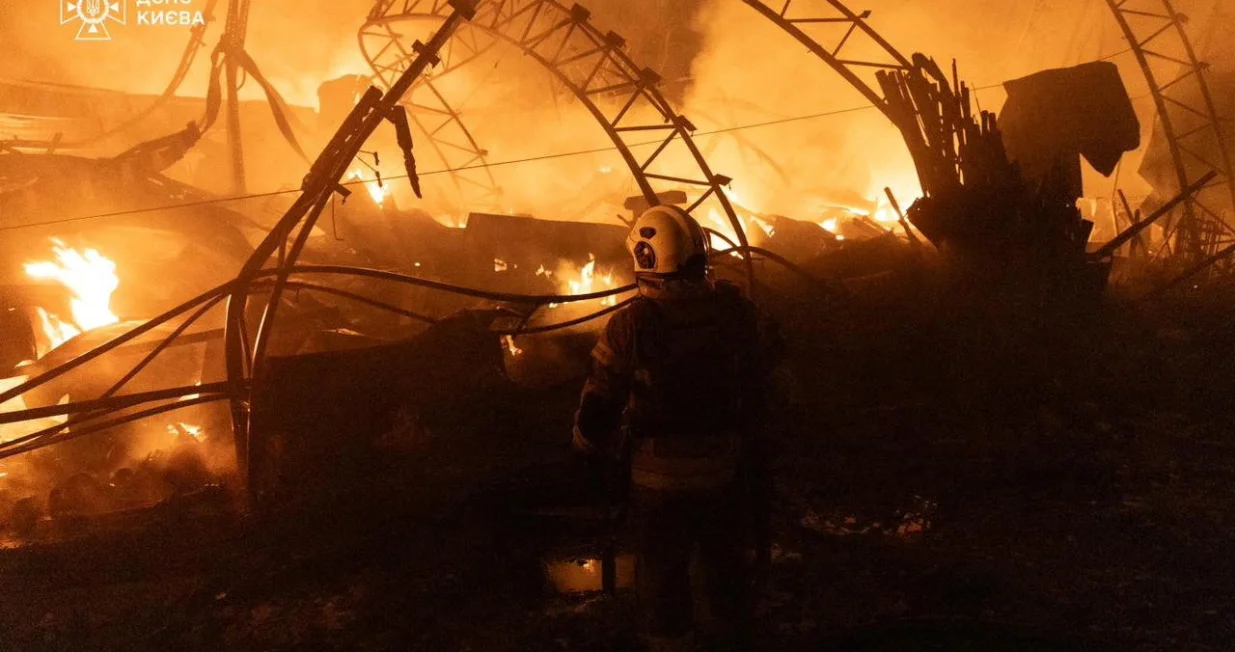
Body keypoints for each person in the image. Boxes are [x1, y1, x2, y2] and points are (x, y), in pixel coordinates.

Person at [572, 205, 778, 652]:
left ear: (646, 259)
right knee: (725, 575)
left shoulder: (631, 324)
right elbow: (764, 382)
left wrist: (587, 451)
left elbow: (599, 405)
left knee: (663, 585)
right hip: (725, 472)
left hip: (657, 481)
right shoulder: (736, 311)